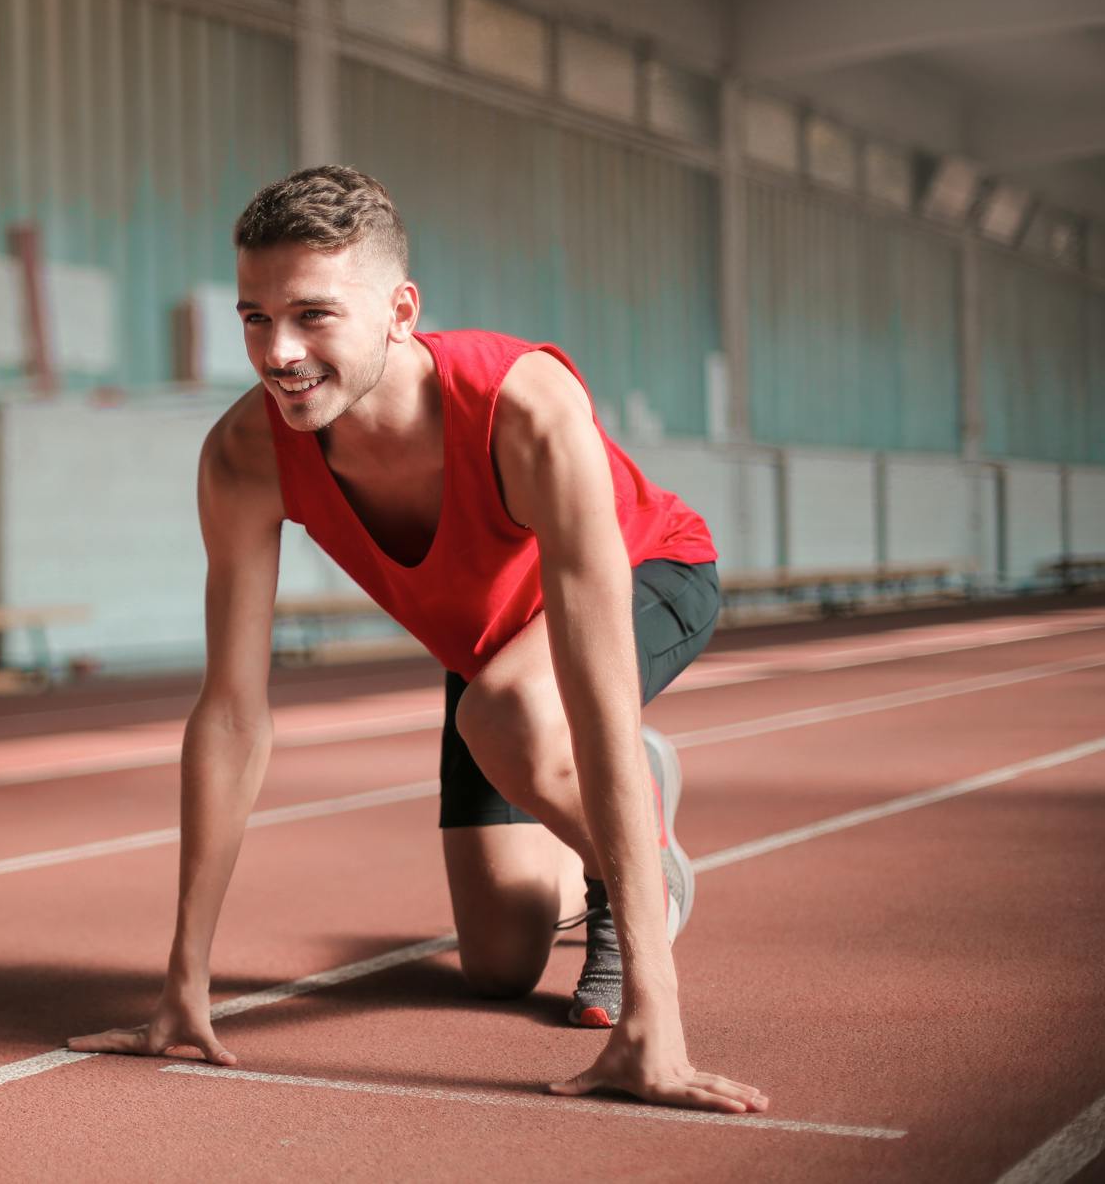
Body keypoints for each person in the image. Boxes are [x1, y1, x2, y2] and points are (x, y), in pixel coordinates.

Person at [68, 166, 765, 1114]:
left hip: (646, 578)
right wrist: (182, 985)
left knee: (518, 713)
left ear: (400, 310)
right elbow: (232, 713)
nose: (278, 352)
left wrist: (658, 1016)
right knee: (495, 964)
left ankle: (636, 853)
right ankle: (609, 819)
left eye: (313, 315)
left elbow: (592, 688)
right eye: (254, 317)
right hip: (488, 653)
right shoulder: (244, 454)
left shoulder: (527, 409)